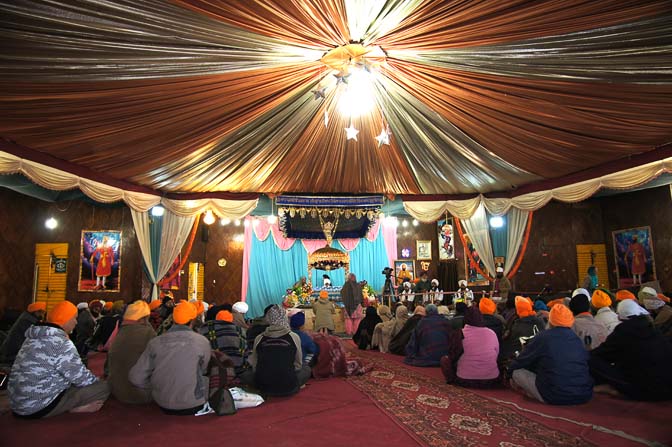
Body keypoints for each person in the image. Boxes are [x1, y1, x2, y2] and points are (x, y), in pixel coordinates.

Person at [8, 301, 110, 418]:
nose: (76, 322)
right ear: (65, 319)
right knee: (104, 387)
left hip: (17, 404)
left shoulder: (33, 336)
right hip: (37, 407)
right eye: (74, 318)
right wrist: (98, 382)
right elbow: (82, 379)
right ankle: (73, 408)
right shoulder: (61, 342)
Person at [129, 301, 212, 415]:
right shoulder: (202, 341)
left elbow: (136, 377)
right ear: (193, 321)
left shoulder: (155, 342)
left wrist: (156, 386)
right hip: (194, 404)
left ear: (173, 319)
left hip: (162, 403)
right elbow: (203, 370)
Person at [507, 304, 592, 405]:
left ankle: (534, 393)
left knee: (517, 373)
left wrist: (509, 372)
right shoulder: (576, 338)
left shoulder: (544, 337)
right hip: (583, 394)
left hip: (554, 395)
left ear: (551, 320)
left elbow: (522, 360)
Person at [590, 300, 672, 401]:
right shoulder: (652, 328)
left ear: (620, 316)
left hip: (646, 390)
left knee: (591, 360)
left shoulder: (624, 330)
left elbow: (601, 353)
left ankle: (616, 388)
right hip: (668, 387)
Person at [241, 305, 310, 396]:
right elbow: (298, 365)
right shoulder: (294, 337)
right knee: (306, 369)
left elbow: (255, 365)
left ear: (268, 319)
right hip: (289, 387)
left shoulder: (259, 338)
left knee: (245, 375)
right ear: (285, 318)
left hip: (263, 387)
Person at [107, 300, 155, 404]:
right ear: (144, 318)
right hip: (141, 394)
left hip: (117, 391)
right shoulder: (147, 332)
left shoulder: (120, 331)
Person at [441, 306, 500, 388]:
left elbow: (452, 355)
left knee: (445, 360)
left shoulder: (460, 333)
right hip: (491, 380)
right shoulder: (491, 333)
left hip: (465, 380)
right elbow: (496, 353)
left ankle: (451, 380)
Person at [199, 310, 248, 374]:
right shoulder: (240, 331)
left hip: (214, 371)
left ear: (216, 319)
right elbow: (245, 352)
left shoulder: (206, 329)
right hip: (237, 370)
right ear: (231, 320)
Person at [500, 297, 545, 362]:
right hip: (539, 357)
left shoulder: (517, 325)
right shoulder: (540, 321)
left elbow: (510, 343)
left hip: (524, 358)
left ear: (518, 311)